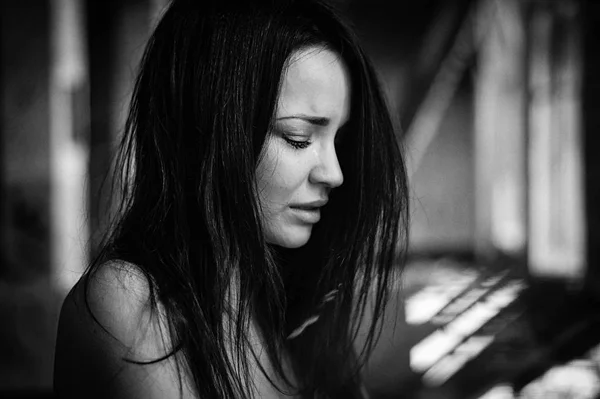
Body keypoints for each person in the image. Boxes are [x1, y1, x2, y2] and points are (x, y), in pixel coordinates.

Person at [53, 0, 409, 397]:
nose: (335, 173)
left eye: (338, 141)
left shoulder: (292, 308)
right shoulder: (128, 301)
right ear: (211, 130)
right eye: (299, 138)